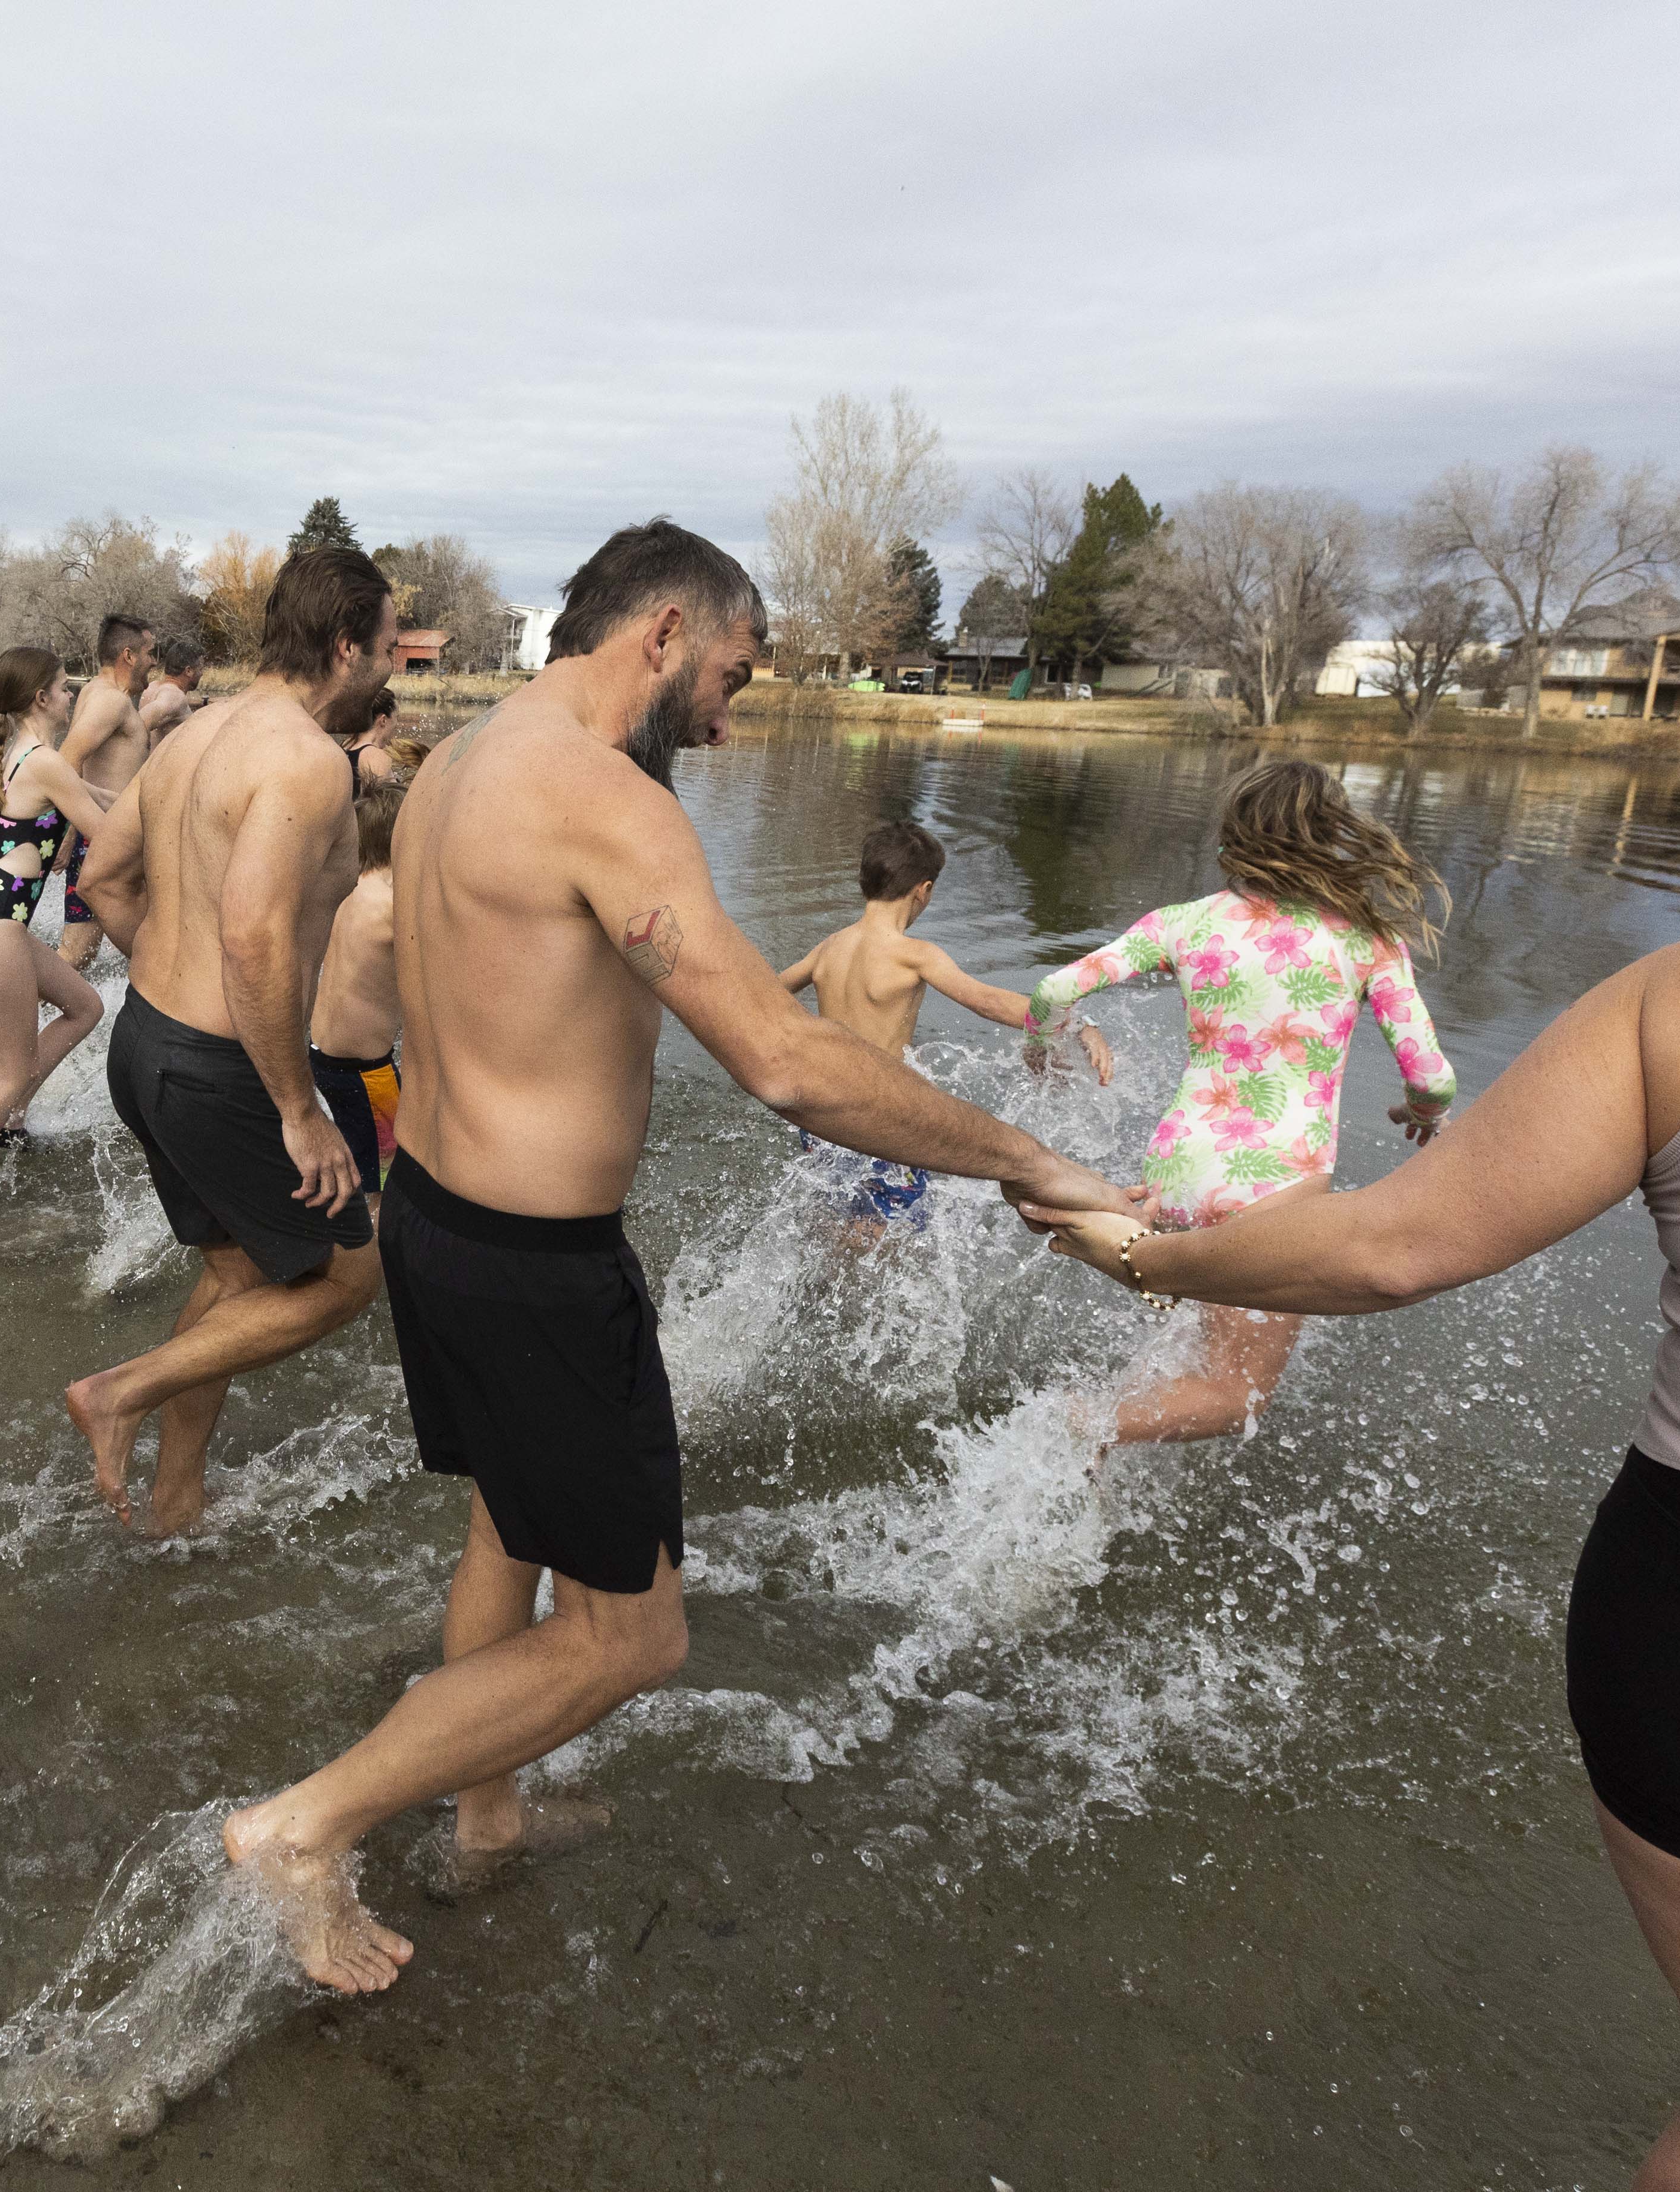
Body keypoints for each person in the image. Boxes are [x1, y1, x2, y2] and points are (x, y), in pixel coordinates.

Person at [1022, 566, 1680, 2188]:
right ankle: (1104, 1417)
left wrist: (1131, 1247)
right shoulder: (1377, 943)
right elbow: (1415, 1112)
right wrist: (1421, 1101)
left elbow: (1386, 1251)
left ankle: (1096, 1411)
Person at [212, 519, 1137, 1989]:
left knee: (508, 1532)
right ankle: (305, 1828)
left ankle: (488, 1810)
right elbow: (781, 1059)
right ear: (661, 632)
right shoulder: (604, 802)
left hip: (440, 1224)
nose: (733, 708)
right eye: (733, 670)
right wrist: (1026, 1158)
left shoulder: (460, 763)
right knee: (631, 1642)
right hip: (530, 1263)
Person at [64, 550, 391, 1535]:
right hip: (217, 1067)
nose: (390, 675)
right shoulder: (304, 761)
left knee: (239, 1275)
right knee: (346, 1274)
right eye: (385, 653)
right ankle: (120, 1389)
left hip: (147, 1042)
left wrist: (171, 980)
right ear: (343, 644)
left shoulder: (192, 735)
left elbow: (104, 882)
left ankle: (174, 1496)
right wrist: (300, 1111)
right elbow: (251, 932)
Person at [1021, 758, 1457, 1446]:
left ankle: (1079, 1490)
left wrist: (1043, 1051)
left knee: (1174, 1370)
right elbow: (1431, 1078)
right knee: (1234, 1395)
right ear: (1329, 836)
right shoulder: (1366, 938)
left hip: (1173, 1172)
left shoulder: (1183, 923)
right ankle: (1069, 1426)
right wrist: (1420, 1115)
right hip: (1275, 1185)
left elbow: (1051, 993)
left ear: (1234, 837)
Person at [774, 818, 1116, 1234]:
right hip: (882, 1112)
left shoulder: (828, 948)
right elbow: (986, 1001)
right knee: (892, 1235)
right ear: (924, 890)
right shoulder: (913, 954)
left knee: (838, 1215)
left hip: (824, 1111)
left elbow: (767, 995)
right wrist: (1077, 1023)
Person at [0, 648, 110, 1186]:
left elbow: (105, 797)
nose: (71, 695)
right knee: (13, 1071)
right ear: (42, 698)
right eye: (63, 686)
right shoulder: (45, 761)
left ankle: (9, 1120)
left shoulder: (25, 754)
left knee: (84, 1007)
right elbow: (106, 832)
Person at [305, 777, 409, 1214]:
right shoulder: (391, 905)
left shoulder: (344, 890)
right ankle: (373, 1269)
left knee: (352, 1167)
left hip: (320, 1059)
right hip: (367, 1073)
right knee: (390, 1183)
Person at [55, 612, 158, 969]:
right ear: (128, 656)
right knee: (77, 952)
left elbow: (75, 764)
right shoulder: (110, 701)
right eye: (149, 652)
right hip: (105, 838)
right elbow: (65, 762)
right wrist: (70, 832)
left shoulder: (95, 693)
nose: (154, 662)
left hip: (102, 835)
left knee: (81, 952)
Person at [140, 633, 203, 744]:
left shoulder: (152, 687)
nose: (202, 674)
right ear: (188, 671)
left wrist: (204, 703)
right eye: (201, 669)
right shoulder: (175, 697)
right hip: (159, 761)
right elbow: (141, 721)